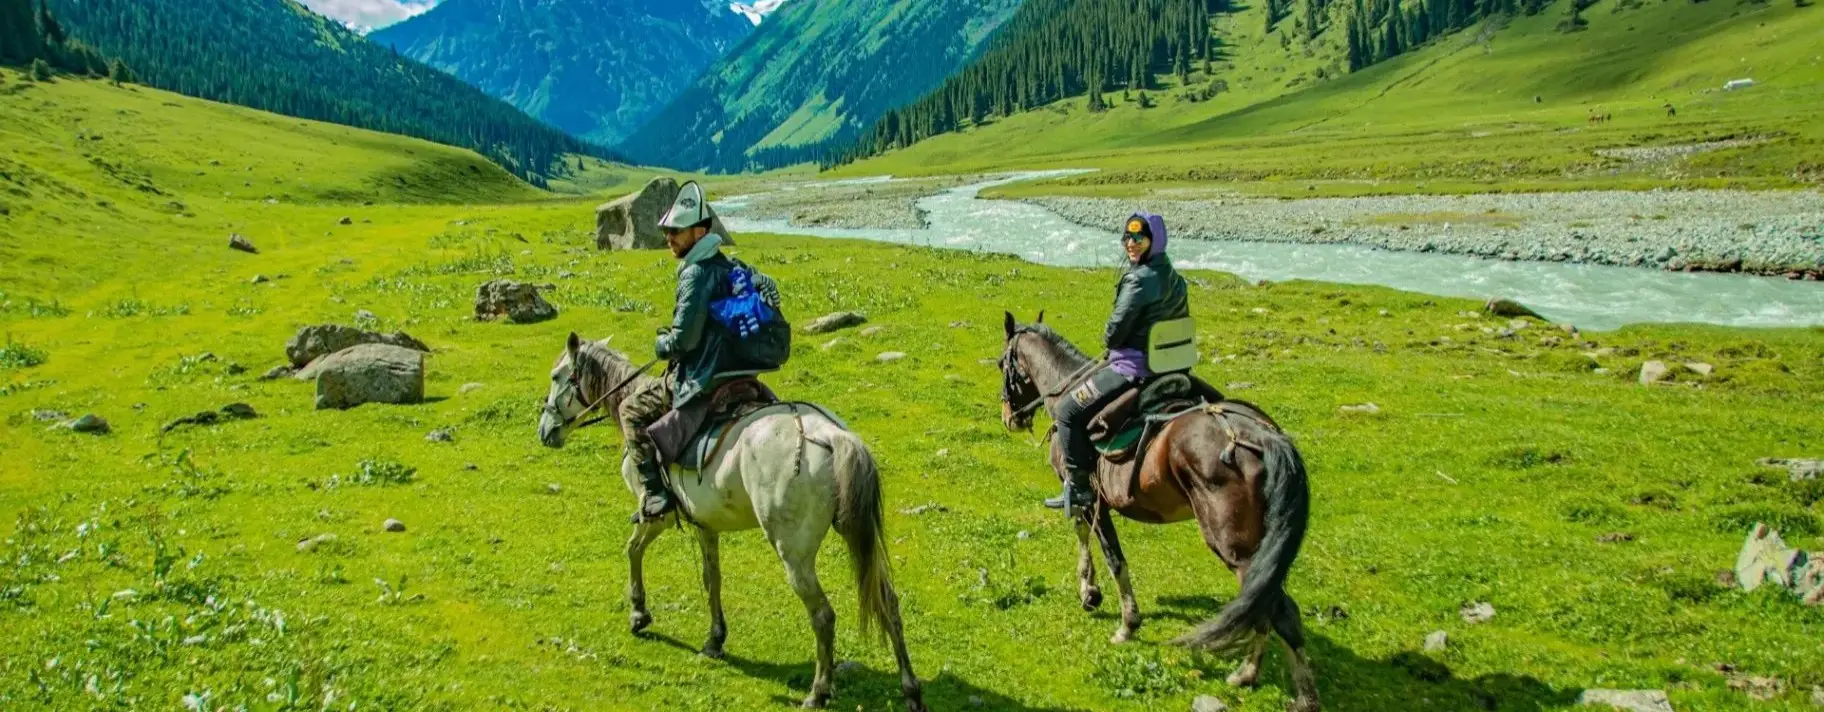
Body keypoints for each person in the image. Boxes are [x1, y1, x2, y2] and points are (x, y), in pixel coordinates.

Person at [619, 181, 771, 521]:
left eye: (676, 230)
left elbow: (684, 342)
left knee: (630, 410)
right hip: (734, 369)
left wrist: (662, 343)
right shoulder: (728, 266)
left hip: (702, 374)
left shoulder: (696, 274)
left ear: (700, 231)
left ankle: (656, 497)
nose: (669, 237)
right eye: (668, 230)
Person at [1045, 213, 1190, 512]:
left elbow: (1113, 334)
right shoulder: (1175, 277)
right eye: (1127, 237)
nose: (1131, 244)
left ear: (1154, 241)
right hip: (1172, 367)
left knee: (1067, 410)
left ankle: (1080, 489)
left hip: (1134, 369)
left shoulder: (1138, 280)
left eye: (1139, 238)